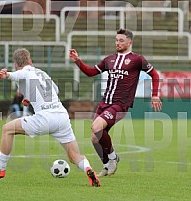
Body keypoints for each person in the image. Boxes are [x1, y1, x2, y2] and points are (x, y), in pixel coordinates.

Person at [0, 48, 101, 187]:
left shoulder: (25, 71)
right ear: (30, 60)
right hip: (62, 117)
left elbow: (19, 74)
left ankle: (0, 168)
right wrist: (32, 99)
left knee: (7, 129)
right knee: (74, 156)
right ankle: (88, 169)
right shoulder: (41, 73)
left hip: (45, 118)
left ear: (15, 63)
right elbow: (55, 90)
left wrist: (7, 74)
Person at [69, 28, 162, 177]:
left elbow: (155, 74)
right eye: (116, 40)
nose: (117, 43)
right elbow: (91, 72)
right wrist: (77, 61)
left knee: (96, 126)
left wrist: (155, 95)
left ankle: (113, 158)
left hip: (120, 105)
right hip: (105, 103)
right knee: (94, 138)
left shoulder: (137, 59)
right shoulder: (109, 59)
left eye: (121, 40)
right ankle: (106, 165)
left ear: (130, 42)